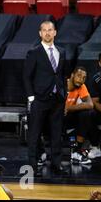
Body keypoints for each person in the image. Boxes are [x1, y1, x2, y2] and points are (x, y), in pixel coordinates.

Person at [23, 20, 67, 176]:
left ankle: (57, 164)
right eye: (44, 30)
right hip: (39, 99)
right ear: (40, 33)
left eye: (50, 30)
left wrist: (64, 94)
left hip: (57, 99)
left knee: (57, 133)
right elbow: (27, 76)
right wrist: (31, 98)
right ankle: (33, 166)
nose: (48, 32)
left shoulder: (61, 51)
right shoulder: (33, 52)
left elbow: (62, 75)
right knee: (34, 134)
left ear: (55, 32)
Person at [65, 66, 98, 165]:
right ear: (72, 75)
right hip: (56, 116)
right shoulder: (61, 84)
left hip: (69, 115)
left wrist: (68, 108)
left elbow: (90, 104)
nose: (81, 79)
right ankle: (41, 152)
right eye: (79, 76)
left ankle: (77, 150)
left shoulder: (81, 86)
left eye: (84, 78)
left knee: (89, 113)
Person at [88, 51, 101, 159]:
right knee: (89, 113)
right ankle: (95, 147)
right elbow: (94, 101)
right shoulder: (96, 79)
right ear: (99, 63)